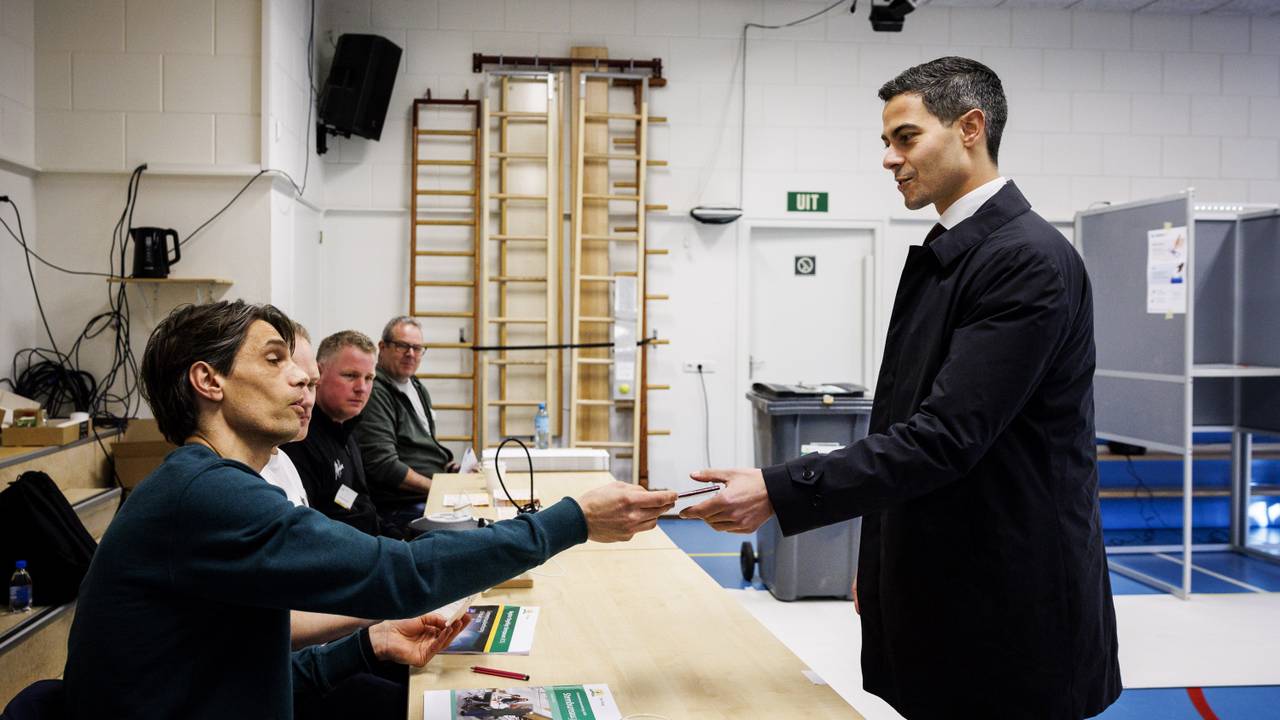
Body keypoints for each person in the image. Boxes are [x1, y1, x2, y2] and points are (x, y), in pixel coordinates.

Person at [681, 57, 1121, 720]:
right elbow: (908, 428)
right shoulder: (960, 252)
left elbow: (945, 438)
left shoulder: (1025, 260)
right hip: (951, 582)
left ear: (970, 127)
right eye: (887, 142)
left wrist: (778, 489)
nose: (890, 158)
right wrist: (884, 560)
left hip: (1009, 602)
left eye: (906, 137)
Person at [62, 300, 676, 719]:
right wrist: (573, 520)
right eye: (275, 361)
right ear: (209, 381)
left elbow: (249, 680)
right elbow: (400, 576)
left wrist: (368, 645)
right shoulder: (209, 496)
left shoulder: (204, 487)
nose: (302, 380)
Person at [355, 316, 456, 532]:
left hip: (426, 492)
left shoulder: (417, 387)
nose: (410, 354)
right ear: (382, 347)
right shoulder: (375, 392)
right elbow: (383, 465)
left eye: (417, 348)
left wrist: (451, 468)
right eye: (402, 346)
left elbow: (422, 447)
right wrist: (438, 488)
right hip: (401, 505)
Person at [282, 330, 387, 536]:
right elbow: (311, 533)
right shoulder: (299, 439)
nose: (362, 388)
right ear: (317, 374)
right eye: (351, 376)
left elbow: (361, 501)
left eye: (369, 378)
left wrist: (400, 538)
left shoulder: (347, 427)